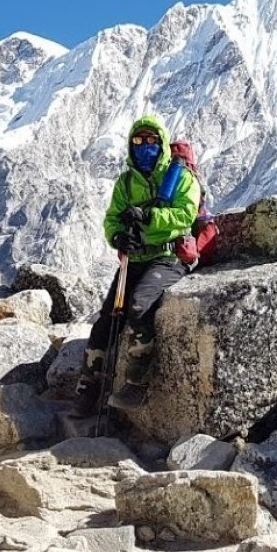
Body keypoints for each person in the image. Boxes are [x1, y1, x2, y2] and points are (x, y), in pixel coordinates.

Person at [74, 115, 200, 413]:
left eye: (151, 141)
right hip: (136, 257)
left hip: (168, 256)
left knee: (139, 307)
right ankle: (88, 387)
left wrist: (149, 218)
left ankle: (137, 384)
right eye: (139, 141)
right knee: (107, 318)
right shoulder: (126, 182)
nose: (145, 146)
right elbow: (112, 219)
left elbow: (185, 215)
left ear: (161, 144)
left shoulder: (180, 177)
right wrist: (118, 236)